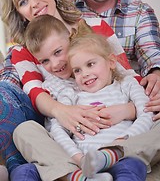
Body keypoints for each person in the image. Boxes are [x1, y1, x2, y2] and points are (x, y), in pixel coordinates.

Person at [0, 0, 136, 180]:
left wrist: (129, 109)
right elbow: (36, 94)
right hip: (67, 129)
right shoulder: (21, 51)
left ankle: (113, 158)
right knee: (24, 131)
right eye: (23, 2)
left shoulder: (97, 26)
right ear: (19, 13)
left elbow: (126, 74)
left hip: (114, 114)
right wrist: (62, 111)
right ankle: (78, 174)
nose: (34, 4)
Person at [16, 14, 149, 181]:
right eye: (45, 61)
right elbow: (55, 128)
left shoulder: (117, 76)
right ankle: (78, 176)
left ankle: (105, 160)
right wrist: (78, 157)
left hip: (122, 147)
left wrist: (128, 113)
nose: (55, 64)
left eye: (58, 52)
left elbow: (145, 104)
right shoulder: (62, 89)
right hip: (80, 153)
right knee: (24, 131)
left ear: (70, 41)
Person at [70, 0, 160, 120]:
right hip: (79, 107)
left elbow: (152, 58)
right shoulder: (64, 9)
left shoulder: (140, 12)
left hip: (130, 105)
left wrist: (156, 76)